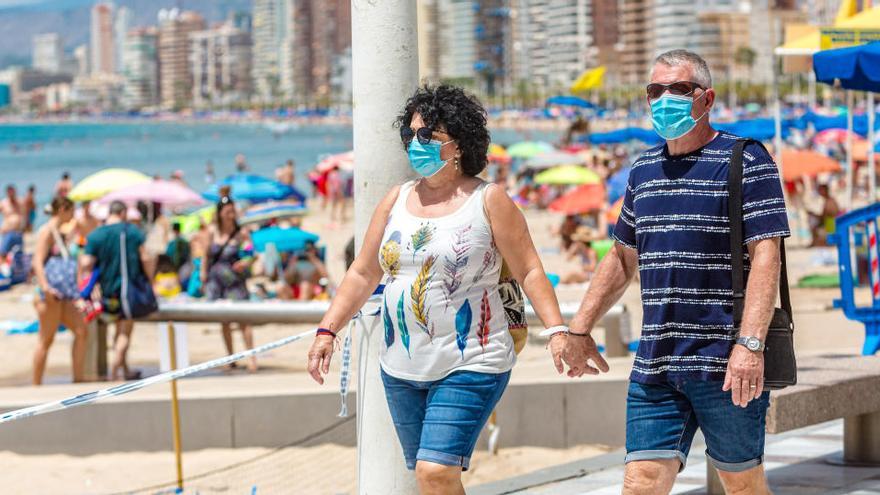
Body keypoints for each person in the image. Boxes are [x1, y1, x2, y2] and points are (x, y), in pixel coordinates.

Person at [307, 85, 570, 494]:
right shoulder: (397, 198)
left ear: (459, 144)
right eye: (412, 135)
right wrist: (328, 330)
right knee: (432, 479)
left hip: (473, 359)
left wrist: (556, 332)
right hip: (400, 366)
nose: (417, 143)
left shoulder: (489, 199)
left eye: (428, 136)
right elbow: (363, 273)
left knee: (435, 472)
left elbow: (531, 270)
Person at [561, 50, 789, 495]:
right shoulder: (644, 169)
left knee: (742, 484)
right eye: (655, 91)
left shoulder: (746, 159)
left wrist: (750, 344)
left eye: (678, 89)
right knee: (641, 481)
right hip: (656, 363)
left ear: (706, 99)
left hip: (724, 362)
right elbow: (622, 256)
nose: (664, 99)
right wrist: (579, 328)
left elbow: (767, 254)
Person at [81, 201, 155, 381]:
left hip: (106, 293)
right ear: (123, 213)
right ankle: (115, 372)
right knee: (124, 332)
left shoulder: (95, 235)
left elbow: (85, 263)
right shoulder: (132, 232)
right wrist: (150, 280)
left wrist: (91, 286)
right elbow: (146, 257)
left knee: (117, 328)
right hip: (127, 290)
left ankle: (125, 369)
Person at [31, 197, 88, 385]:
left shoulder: (60, 232)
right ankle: (36, 384)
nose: (73, 215)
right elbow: (37, 261)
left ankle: (78, 378)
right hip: (50, 294)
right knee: (46, 340)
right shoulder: (47, 231)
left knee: (81, 331)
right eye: (71, 210)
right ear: (63, 209)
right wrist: (45, 287)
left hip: (63, 295)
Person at [202, 196, 257, 371]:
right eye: (227, 212)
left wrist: (246, 262)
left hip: (235, 280)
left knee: (244, 320)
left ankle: (251, 358)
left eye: (232, 211)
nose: (230, 215)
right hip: (217, 281)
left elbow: (251, 252)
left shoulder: (241, 232)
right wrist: (203, 274)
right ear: (219, 213)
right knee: (224, 321)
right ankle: (231, 357)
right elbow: (205, 255)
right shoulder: (212, 231)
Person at [808, 183, 840, 247]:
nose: (820, 192)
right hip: (829, 223)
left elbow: (829, 216)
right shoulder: (828, 200)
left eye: (821, 190)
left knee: (813, 221)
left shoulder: (830, 201)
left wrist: (815, 215)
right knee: (812, 220)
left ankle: (817, 242)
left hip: (830, 225)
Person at [0, 185, 24, 257]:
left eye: (13, 192)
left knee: (18, 254)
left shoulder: (19, 202)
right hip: (7, 232)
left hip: (18, 232)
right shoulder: (3, 203)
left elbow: (28, 210)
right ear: (7, 193)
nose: (11, 194)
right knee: (3, 253)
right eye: (10, 192)